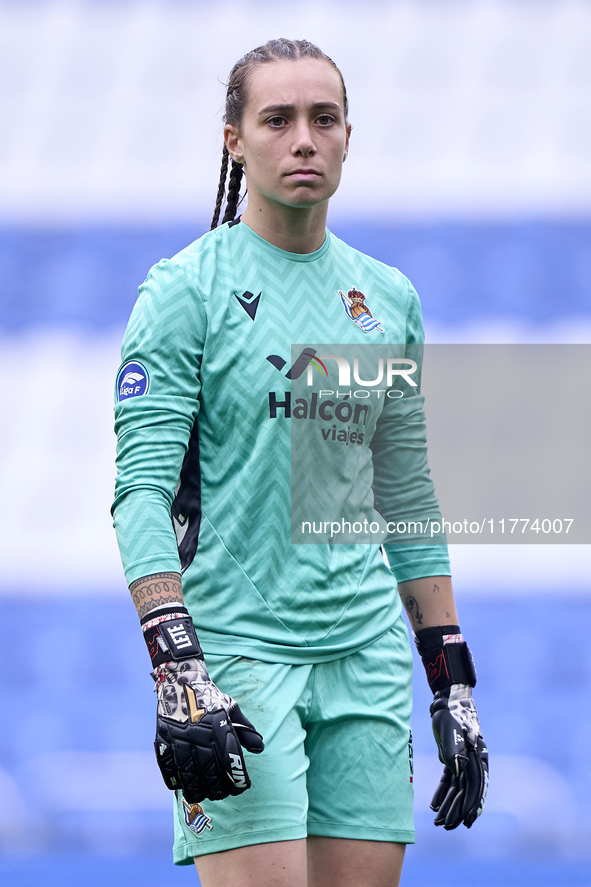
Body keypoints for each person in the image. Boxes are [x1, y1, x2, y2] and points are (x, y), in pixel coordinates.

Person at [112, 38, 488, 887]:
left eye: (323, 119)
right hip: (238, 660)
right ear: (234, 141)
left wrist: (450, 678)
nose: (304, 139)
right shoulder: (185, 291)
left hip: (366, 657)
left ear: (349, 135)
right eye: (276, 119)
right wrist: (177, 663)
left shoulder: (385, 297)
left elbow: (405, 491)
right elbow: (138, 492)